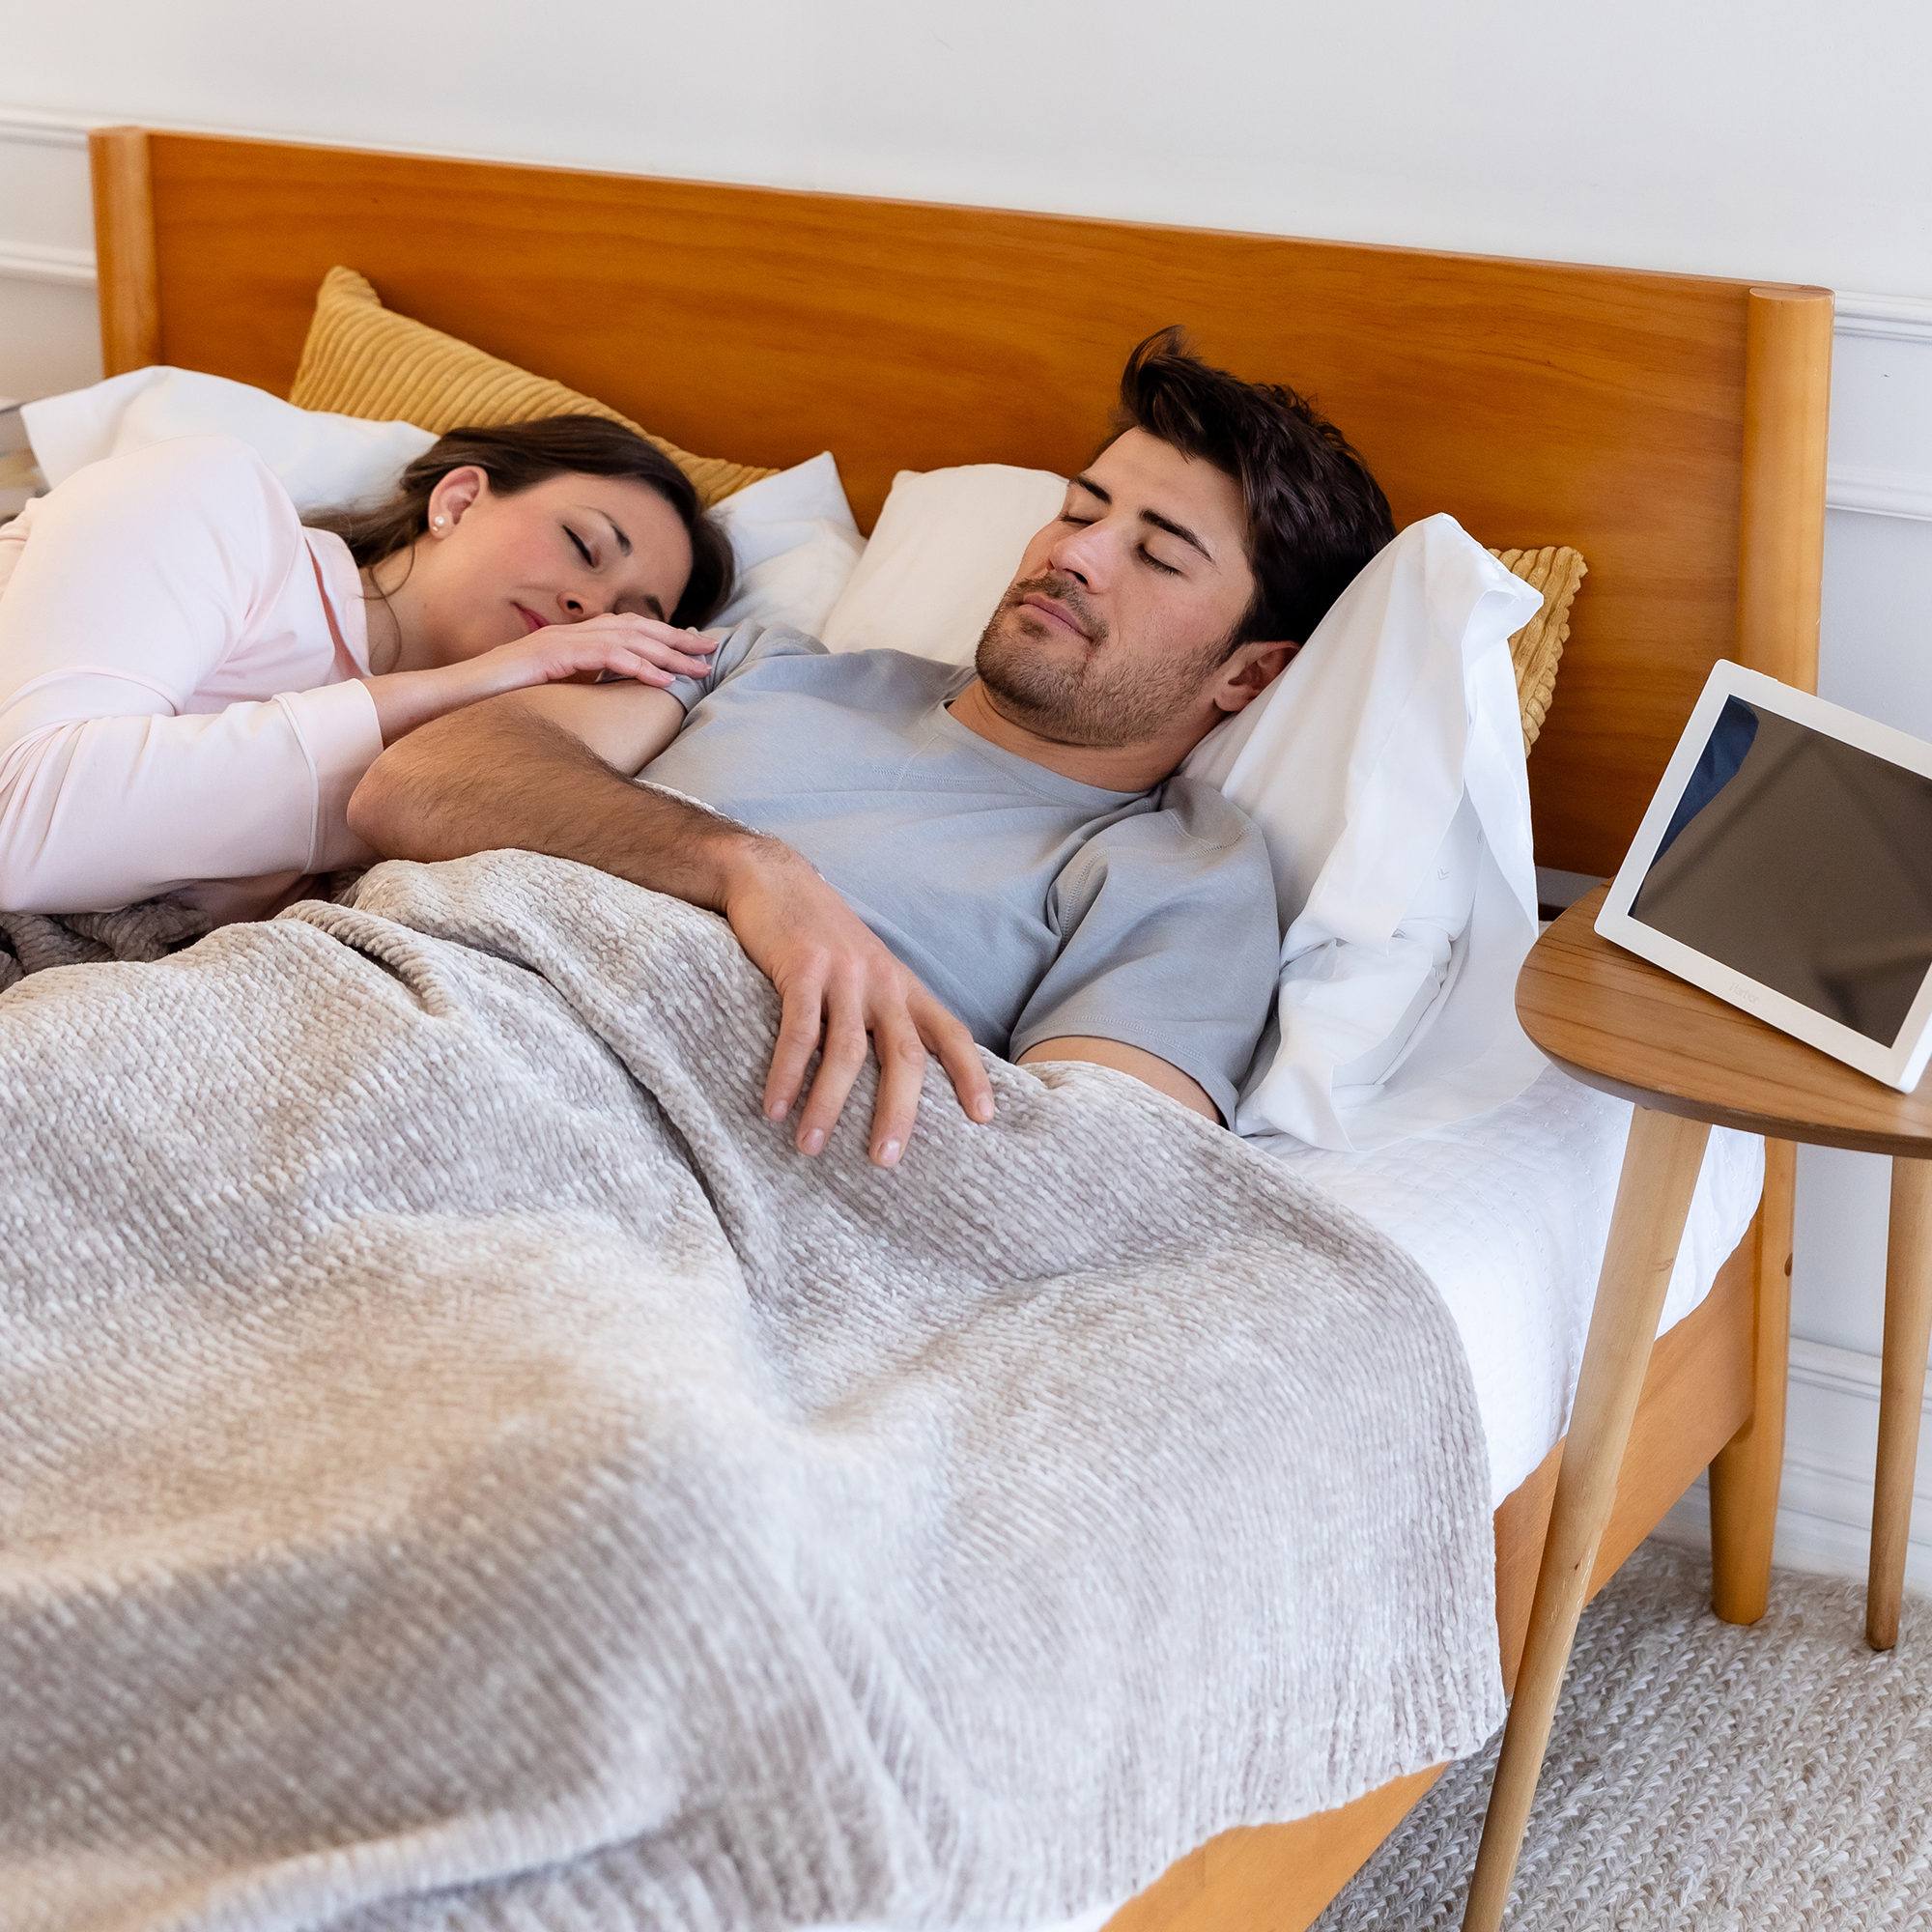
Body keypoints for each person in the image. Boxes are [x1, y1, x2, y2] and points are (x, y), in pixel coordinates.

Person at [351, 329, 1395, 1168]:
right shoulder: (761, 661)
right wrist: (747, 870)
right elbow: (417, 782)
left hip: (604, 1162)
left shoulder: (1177, 873)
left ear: (1248, 675)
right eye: (1079, 509)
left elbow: (1091, 1176)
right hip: (372, 1012)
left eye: (1156, 555)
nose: (1071, 553)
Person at [0, 415, 732, 923]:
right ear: (459, 499)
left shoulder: (466, 777)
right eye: (581, 543)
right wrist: (473, 681)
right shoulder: (216, 499)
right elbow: (22, 821)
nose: (587, 603)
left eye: (627, 615)